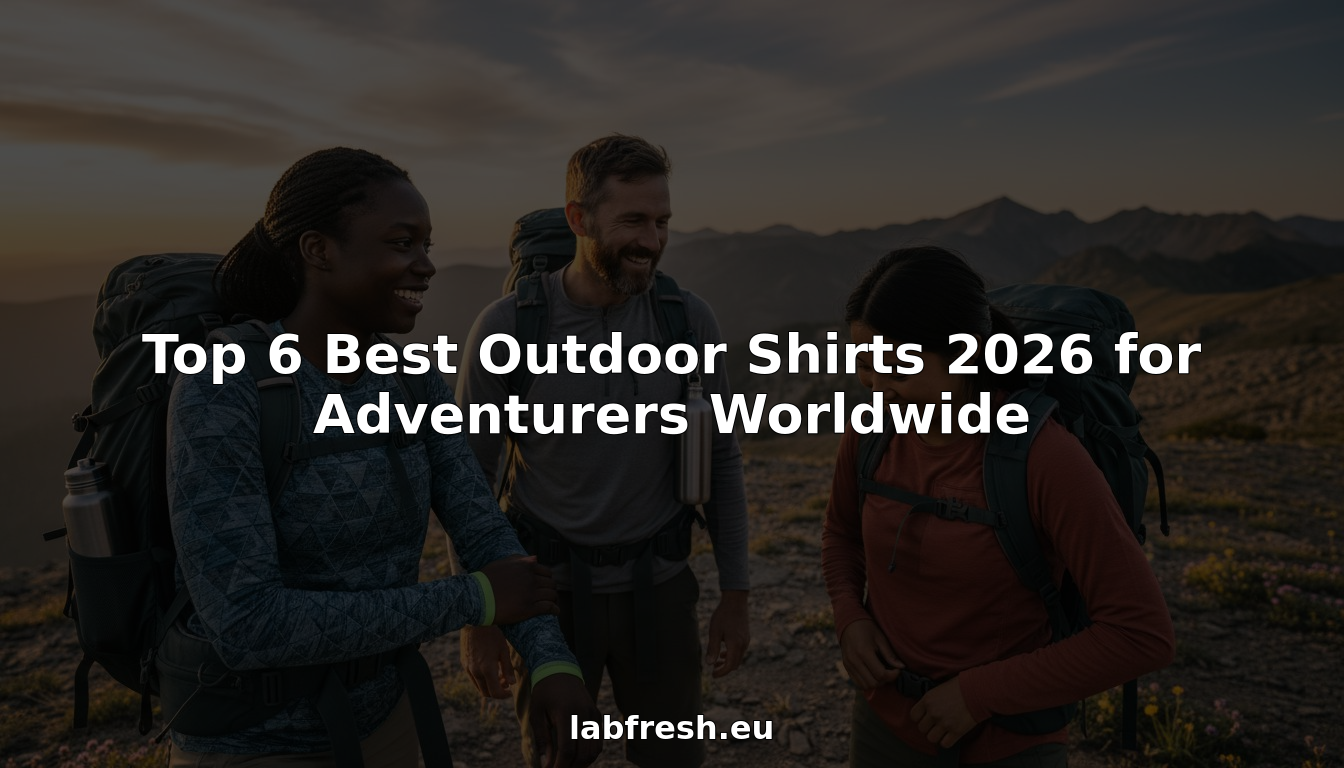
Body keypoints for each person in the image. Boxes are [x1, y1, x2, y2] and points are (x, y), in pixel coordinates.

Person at [164, 147, 600, 767]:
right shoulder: (223, 381)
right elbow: (247, 622)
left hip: (388, 720)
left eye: (427, 244)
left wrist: (550, 656)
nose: (425, 266)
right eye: (402, 243)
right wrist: (473, 600)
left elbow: (479, 523)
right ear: (318, 250)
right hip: (254, 742)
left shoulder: (405, 375)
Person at [454, 134, 751, 768]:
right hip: (546, 598)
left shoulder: (687, 321)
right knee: (559, 757)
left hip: (663, 588)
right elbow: (469, 481)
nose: (653, 239)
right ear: (579, 220)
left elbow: (722, 459)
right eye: (634, 221)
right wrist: (476, 616)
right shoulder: (508, 327)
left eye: (663, 221)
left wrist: (737, 592)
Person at [822, 246, 1176, 767]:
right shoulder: (872, 431)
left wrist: (975, 695)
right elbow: (841, 536)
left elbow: (1141, 634)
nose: (873, 388)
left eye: (896, 367)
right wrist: (851, 619)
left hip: (1005, 741)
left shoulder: (1043, 458)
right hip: (885, 721)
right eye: (862, 366)